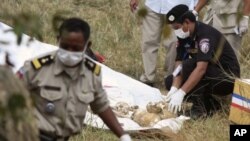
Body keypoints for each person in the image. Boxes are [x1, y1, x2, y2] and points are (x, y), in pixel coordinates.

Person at [18, 18, 131, 141]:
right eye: (65, 46)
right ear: (58, 40)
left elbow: (101, 106)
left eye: (76, 48)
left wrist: (123, 135)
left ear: (87, 46)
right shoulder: (37, 68)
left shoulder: (91, 74)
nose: (69, 52)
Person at [164, 5, 240, 120]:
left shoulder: (205, 35)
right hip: (209, 73)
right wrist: (175, 88)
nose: (176, 31)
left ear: (187, 22)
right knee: (170, 80)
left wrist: (181, 92)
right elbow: (179, 62)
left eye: (177, 27)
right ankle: (211, 105)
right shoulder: (184, 36)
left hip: (226, 78)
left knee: (189, 66)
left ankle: (199, 110)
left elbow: (201, 69)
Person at [129, 0, 208, 86]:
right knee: (149, 41)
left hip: (177, 6)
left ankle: (171, 78)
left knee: (174, 43)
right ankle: (148, 78)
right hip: (153, 4)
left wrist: (195, 9)